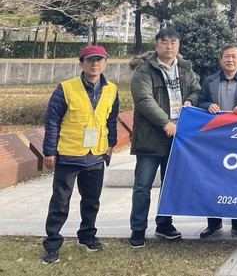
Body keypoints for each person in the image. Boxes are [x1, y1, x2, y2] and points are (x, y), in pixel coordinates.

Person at [41, 45, 119, 265]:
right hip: (69, 153)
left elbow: (111, 120)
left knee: (92, 200)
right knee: (60, 202)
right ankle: (52, 244)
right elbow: (52, 121)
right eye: (90, 60)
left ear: (105, 63)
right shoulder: (65, 88)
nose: (95, 64)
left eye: (99, 60)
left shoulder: (112, 90)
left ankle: (87, 236)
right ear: (81, 63)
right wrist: (49, 151)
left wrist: (111, 144)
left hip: (96, 154)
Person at [129, 27, 200, 249]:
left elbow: (197, 90)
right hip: (151, 136)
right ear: (156, 45)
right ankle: (138, 229)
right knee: (143, 186)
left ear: (178, 45)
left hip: (178, 136)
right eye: (165, 42)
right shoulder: (144, 70)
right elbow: (144, 100)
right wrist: (165, 122)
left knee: (170, 184)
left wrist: (191, 100)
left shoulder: (185, 68)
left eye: (173, 42)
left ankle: (164, 224)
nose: (169, 46)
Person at [198, 44, 237, 239]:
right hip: (215, 139)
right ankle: (213, 223)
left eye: (234, 56)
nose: (230, 60)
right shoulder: (210, 81)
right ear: (220, 59)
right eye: (226, 56)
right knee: (212, 180)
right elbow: (200, 101)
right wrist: (208, 105)